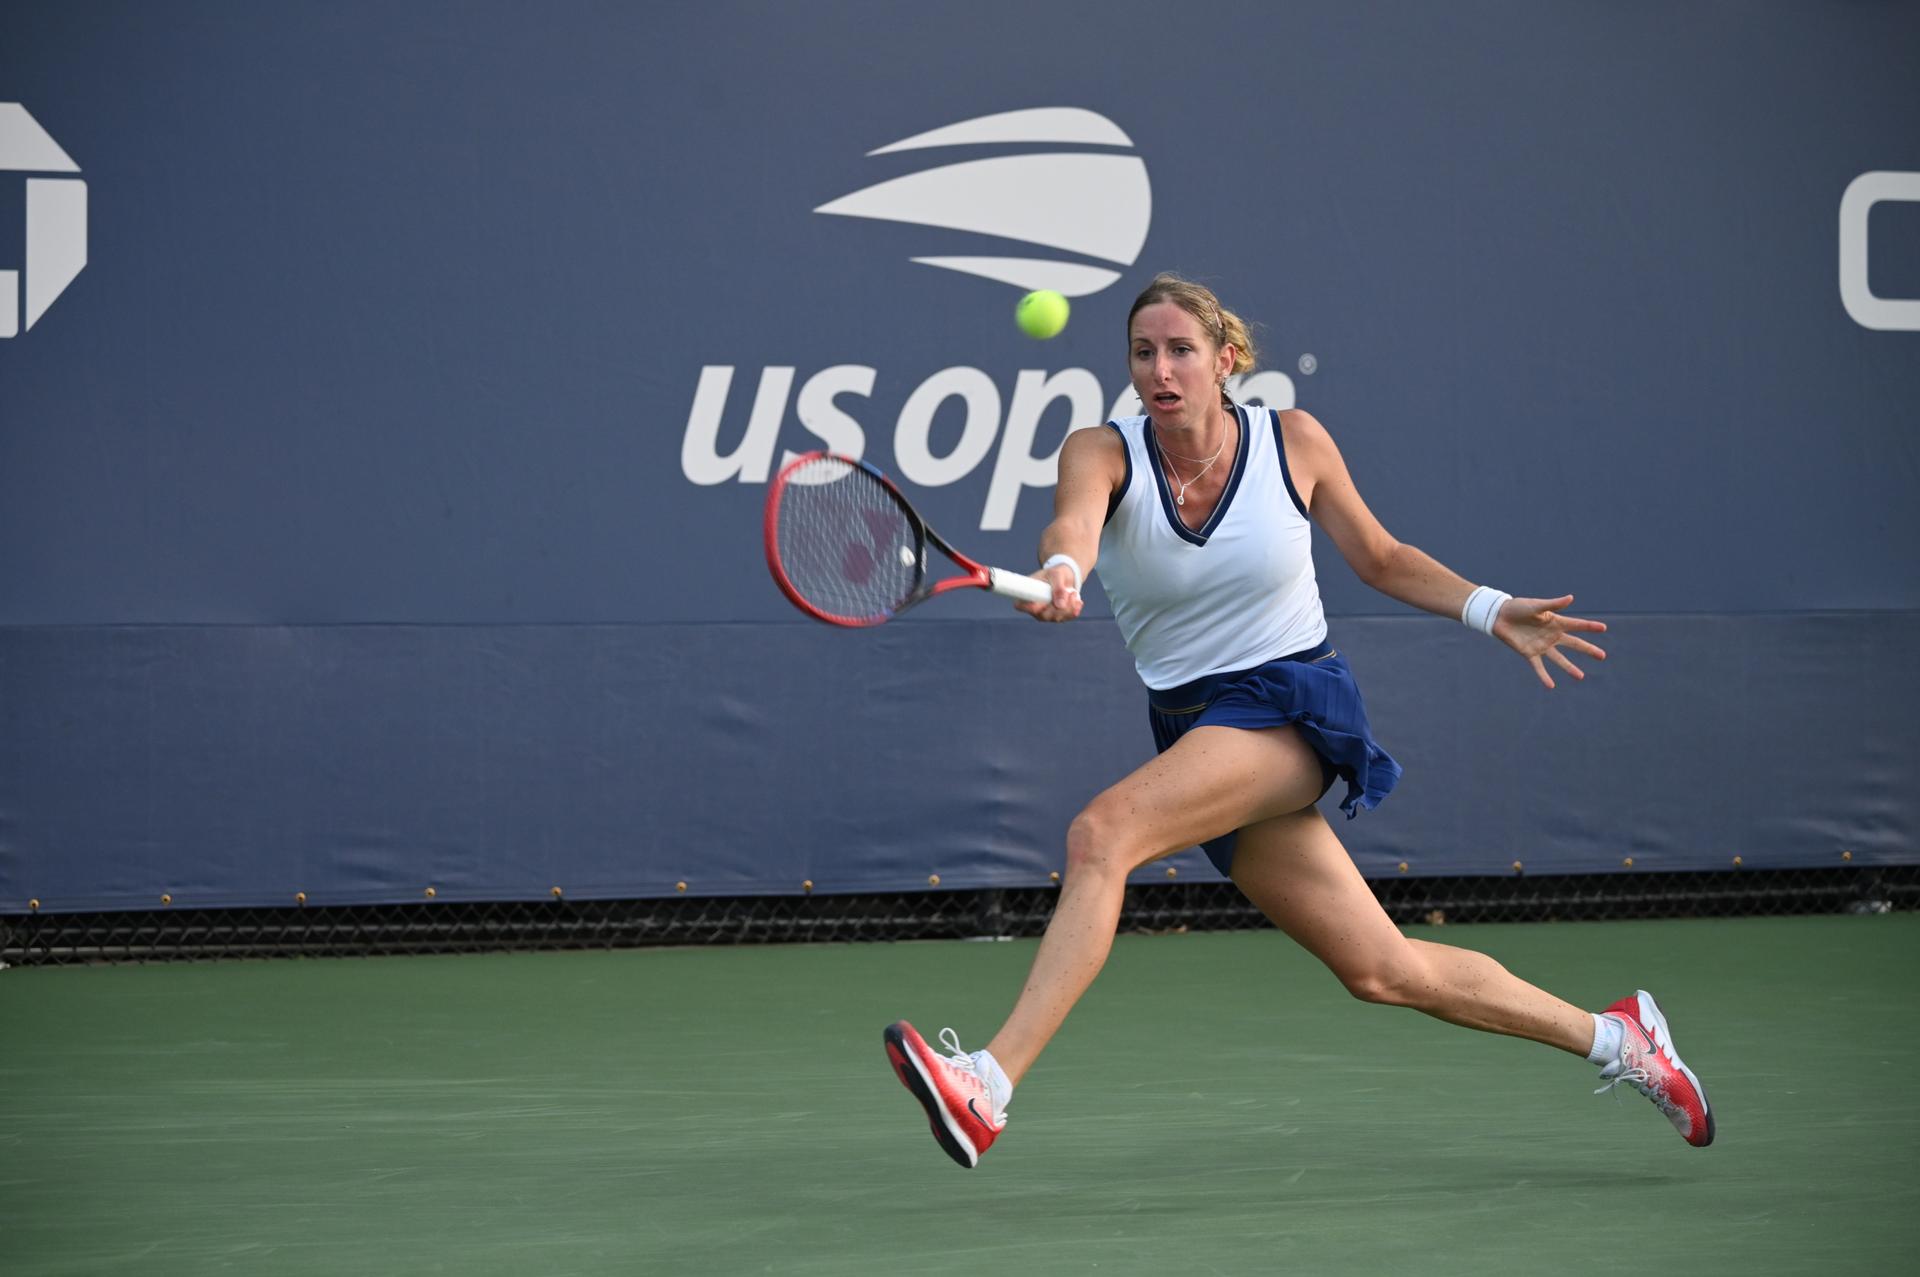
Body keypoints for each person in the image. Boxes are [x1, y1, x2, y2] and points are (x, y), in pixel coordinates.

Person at [882, 273, 1713, 1169]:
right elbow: (1073, 527)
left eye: (1180, 351)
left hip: (1289, 707)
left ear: (1225, 359)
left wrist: (1491, 608)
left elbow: (1382, 557)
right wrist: (1064, 573)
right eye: (1142, 352)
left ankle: (989, 1085)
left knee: (1102, 834)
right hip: (1196, 729)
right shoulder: (1101, 450)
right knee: (1384, 969)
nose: (1160, 369)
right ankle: (1623, 1040)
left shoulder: (1293, 441)